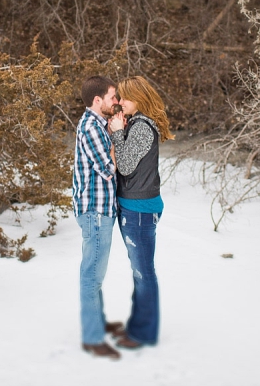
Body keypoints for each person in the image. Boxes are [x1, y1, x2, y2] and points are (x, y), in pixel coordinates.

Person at [107, 75, 174, 349]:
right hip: (135, 206)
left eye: (125, 97)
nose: (120, 102)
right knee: (139, 271)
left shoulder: (143, 127)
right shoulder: (136, 124)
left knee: (143, 272)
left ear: (139, 99)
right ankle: (138, 327)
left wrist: (116, 133)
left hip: (139, 210)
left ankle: (144, 332)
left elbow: (124, 166)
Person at [72, 75, 122, 360]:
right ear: (97, 99)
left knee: (95, 274)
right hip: (95, 211)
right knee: (91, 275)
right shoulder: (91, 127)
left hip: (101, 210)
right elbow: (108, 168)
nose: (116, 101)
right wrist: (118, 138)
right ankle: (92, 338)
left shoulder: (99, 124)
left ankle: (98, 322)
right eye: (113, 97)